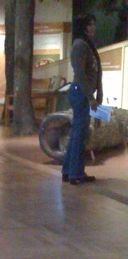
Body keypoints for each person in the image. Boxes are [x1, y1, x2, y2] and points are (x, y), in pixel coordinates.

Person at [62, 13, 102, 185]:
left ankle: (69, 171)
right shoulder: (80, 45)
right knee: (79, 134)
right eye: (90, 24)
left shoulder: (87, 45)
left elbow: (96, 74)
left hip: (84, 93)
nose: (93, 27)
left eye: (93, 24)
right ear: (83, 27)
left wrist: (99, 95)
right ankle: (75, 173)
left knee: (79, 134)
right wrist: (91, 97)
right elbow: (80, 74)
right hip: (80, 94)